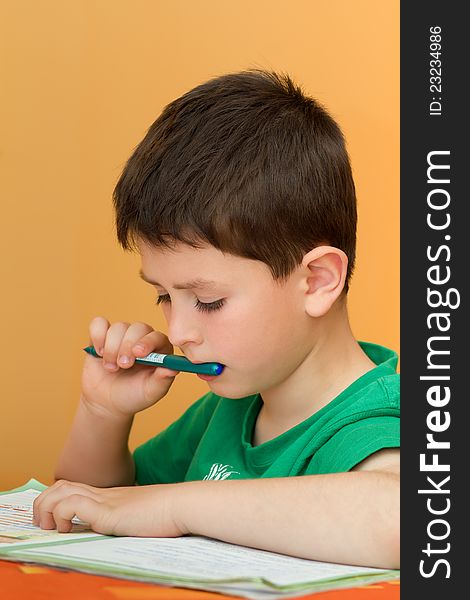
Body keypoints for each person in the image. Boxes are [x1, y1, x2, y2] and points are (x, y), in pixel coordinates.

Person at [33, 69, 399, 569]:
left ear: (316, 280)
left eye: (207, 301)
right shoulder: (230, 407)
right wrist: (103, 414)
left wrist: (175, 504)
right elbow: (91, 507)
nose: (180, 332)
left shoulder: (378, 419)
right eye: (163, 295)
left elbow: (404, 520)